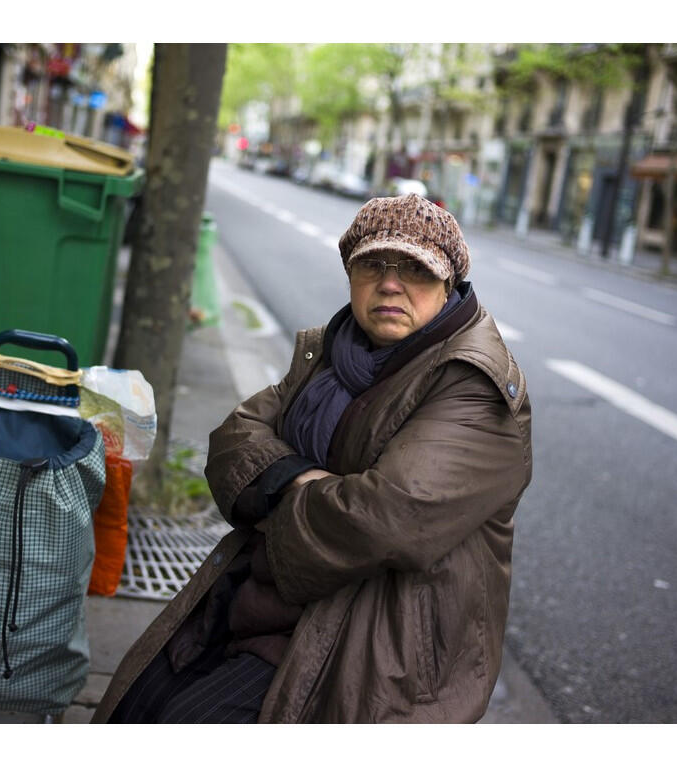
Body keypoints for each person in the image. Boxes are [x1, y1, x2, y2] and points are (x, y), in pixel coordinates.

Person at [93, 193, 533, 724]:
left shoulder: (474, 384)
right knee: (133, 707)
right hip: (273, 599)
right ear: (350, 273)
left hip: (382, 642)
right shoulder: (332, 348)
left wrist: (274, 489)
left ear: (449, 285)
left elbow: (387, 518)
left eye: (416, 269)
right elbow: (235, 438)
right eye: (373, 264)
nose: (390, 283)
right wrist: (300, 479)